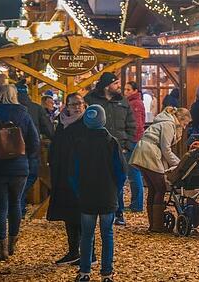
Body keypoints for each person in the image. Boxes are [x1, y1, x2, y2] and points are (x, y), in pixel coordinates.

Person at [0, 84, 40, 261]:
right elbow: (34, 141)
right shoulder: (24, 114)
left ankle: (2, 248)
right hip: (19, 167)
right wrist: (26, 156)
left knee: (0, 206)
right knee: (15, 203)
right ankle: (13, 241)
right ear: (15, 96)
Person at [72, 104, 126, 282]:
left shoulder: (79, 143)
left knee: (86, 235)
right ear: (103, 119)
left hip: (86, 195)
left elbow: (73, 172)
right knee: (107, 234)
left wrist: (78, 191)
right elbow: (121, 172)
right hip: (107, 194)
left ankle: (84, 272)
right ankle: (107, 273)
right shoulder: (112, 142)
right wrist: (116, 190)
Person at [84, 72, 135, 226]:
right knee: (94, 179)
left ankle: (117, 212)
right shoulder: (90, 100)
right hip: (95, 149)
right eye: (116, 83)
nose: (119, 86)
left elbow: (131, 124)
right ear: (107, 86)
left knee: (118, 179)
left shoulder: (123, 101)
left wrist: (127, 145)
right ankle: (94, 210)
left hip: (119, 147)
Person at [131, 106, 191, 232]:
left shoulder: (164, 121)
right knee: (160, 188)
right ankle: (157, 225)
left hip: (143, 151)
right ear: (180, 119)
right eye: (185, 124)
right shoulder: (169, 125)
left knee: (153, 189)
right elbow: (166, 149)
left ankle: (153, 224)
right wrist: (180, 165)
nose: (185, 127)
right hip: (150, 153)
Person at [49, 93, 89, 266]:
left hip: (80, 175)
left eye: (80, 103)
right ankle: (74, 251)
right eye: (74, 104)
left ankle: (88, 253)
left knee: (82, 215)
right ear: (67, 106)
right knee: (68, 214)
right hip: (63, 175)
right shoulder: (62, 123)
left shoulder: (87, 123)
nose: (78, 107)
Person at [16, 80, 55, 216]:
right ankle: (18, 203)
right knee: (31, 176)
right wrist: (54, 138)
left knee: (16, 178)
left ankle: (17, 204)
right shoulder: (36, 108)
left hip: (14, 150)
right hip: (32, 148)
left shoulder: (9, 108)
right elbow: (48, 129)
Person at [122, 81, 146, 213]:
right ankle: (136, 204)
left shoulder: (135, 104)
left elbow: (136, 125)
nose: (125, 92)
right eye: (125, 89)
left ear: (135, 91)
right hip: (134, 141)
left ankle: (137, 204)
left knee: (134, 173)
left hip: (133, 142)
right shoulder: (132, 103)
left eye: (128, 89)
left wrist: (129, 142)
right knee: (133, 173)